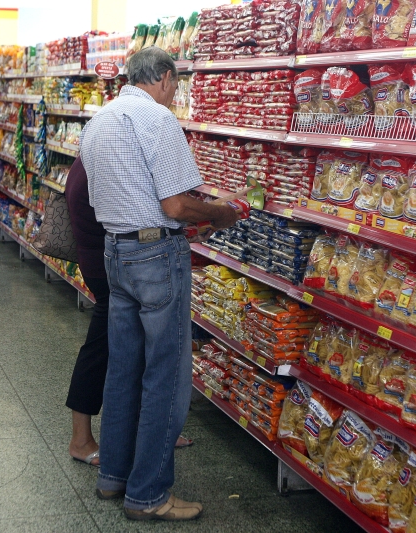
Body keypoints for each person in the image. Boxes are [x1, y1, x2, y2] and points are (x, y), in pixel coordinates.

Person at [80, 47, 239, 522]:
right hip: (155, 256)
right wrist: (220, 213)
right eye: (176, 84)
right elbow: (176, 206)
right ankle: (149, 494)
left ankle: (114, 476)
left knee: (123, 369)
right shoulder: (157, 119)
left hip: (116, 252)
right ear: (166, 78)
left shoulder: (100, 119)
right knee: (165, 375)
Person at [64, 157, 193, 468]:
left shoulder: (92, 154)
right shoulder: (106, 159)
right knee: (100, 349)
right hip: (110, 263)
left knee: (134, 347)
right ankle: (80, 440)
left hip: (104, 259)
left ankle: (151, 430)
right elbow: (140, 214)